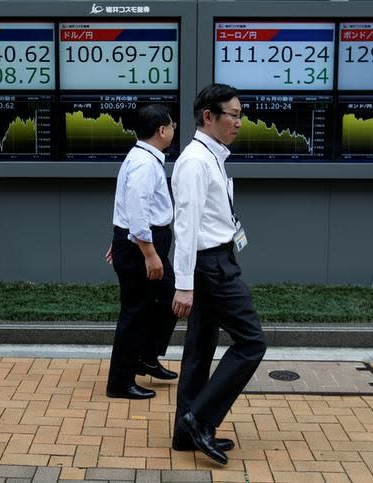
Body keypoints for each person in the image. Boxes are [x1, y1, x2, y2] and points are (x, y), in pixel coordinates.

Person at [170, 84, 267, 465]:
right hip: (211, 266)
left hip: (215, 261)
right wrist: (183, 285)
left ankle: (185, 433)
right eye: (233, 115)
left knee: (199, 350)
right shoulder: (195, 161)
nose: (239, 123)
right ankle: (200, 419)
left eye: (240, 115)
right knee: (252, 342)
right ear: (208, 117)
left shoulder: (212, 157)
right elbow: (186, 226)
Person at [105, 104, 179, 399]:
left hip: (138, 241)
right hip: (143, 245)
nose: (174, 130)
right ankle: (120, 383)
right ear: (162, 130)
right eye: (172, 125)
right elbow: (136, 210)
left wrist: (122, 237)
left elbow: (127, 205)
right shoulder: (145, 163)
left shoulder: (142, 157)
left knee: (170, 295)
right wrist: (147, 253)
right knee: (135, 312)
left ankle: (145, 356)